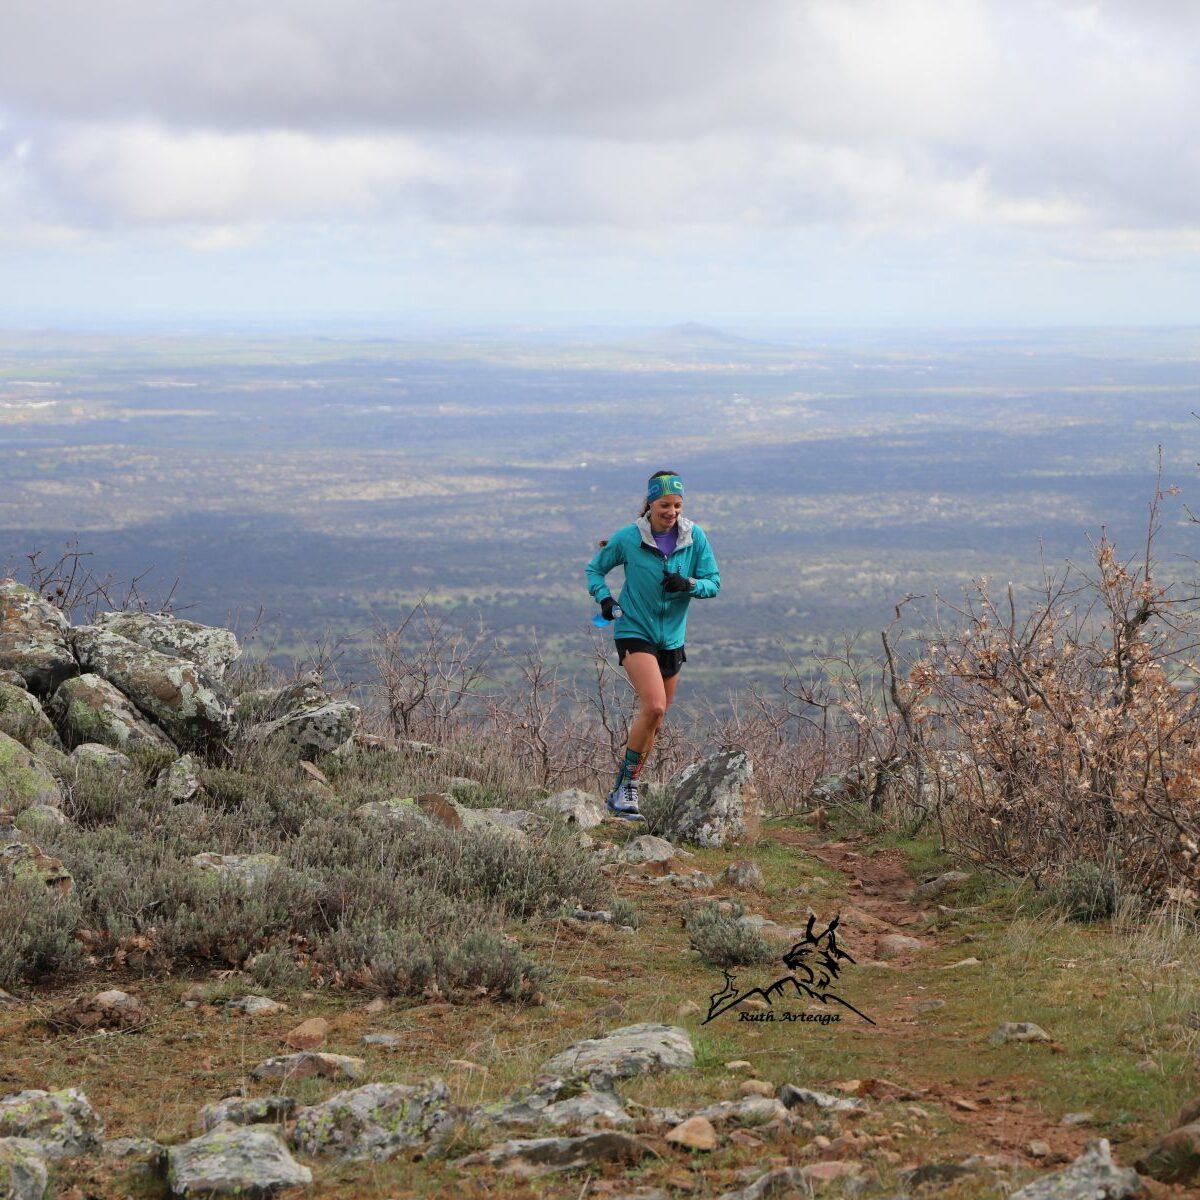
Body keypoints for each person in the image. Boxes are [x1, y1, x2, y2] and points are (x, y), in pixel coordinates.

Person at [585, 470, 721, 819]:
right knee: (655, 706)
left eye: (677, 504)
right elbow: (594, 570)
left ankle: (622, 790)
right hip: (634, 629)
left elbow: (714, 582)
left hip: (672, 639)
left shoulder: (695, 538)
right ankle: (627, 789)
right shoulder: (630, 538)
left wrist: (688, 583)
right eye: (664, 504)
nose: (671, 511)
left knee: (655, 722)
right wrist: (604, 599)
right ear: (650, 503)